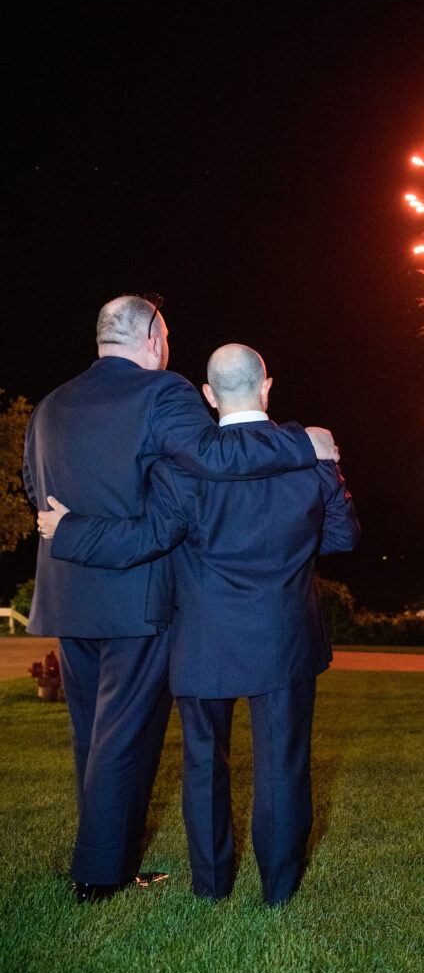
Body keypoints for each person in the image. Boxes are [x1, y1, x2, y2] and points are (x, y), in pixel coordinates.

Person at [24, 296, 338, 903]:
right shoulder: (162, 393)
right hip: (136, 595)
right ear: (151, 337)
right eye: (165, 336)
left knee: (91, 735)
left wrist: (71, 533)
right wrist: (307, 444)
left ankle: (104, 859)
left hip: (68, 594)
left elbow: (37, 490)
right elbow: (218, 456)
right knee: (123, 738)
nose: (166, 347)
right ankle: (98, 873)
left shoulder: (49, 404)